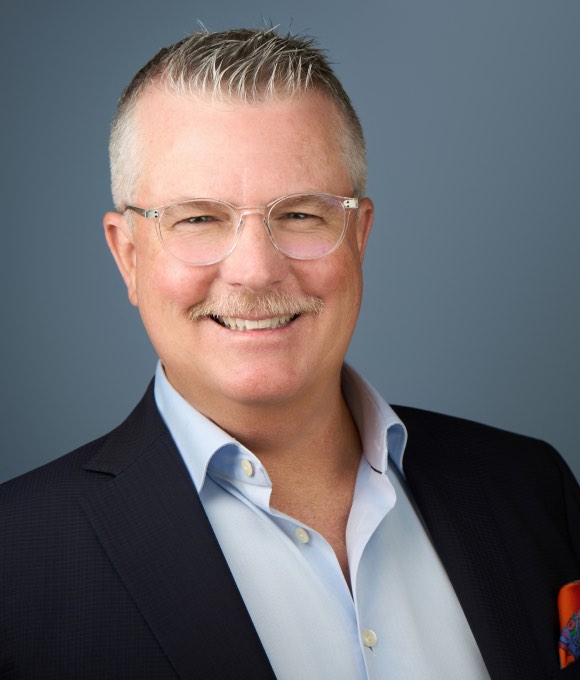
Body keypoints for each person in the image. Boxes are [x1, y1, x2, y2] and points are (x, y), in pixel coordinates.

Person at [1, 28, 579, 680]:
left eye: (301, 215)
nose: (255, 271)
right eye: (198, 219)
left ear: (358, 236)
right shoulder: (15, 561)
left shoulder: (532, 489)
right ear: (128, 256)